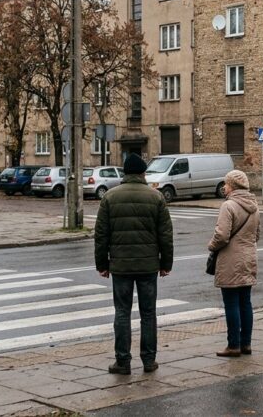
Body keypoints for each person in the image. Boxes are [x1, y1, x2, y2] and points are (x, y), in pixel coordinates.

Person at [95, 153, 173, 375]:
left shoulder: (109, 198)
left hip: (120, 266)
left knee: (122, 312)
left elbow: (101, 236)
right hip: (148, 266)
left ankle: (123, 361)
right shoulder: (156, 197)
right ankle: (149, 361)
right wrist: (165, 263)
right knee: (148, 313)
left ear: (124, 173)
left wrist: (102, 264)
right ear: (142, 173)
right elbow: (165, 235)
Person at [208, 169, 260, 357]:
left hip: (230, 259)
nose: (224, 186)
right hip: (249, 258)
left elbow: (221, 236)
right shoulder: (254, 206)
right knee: (245, 302)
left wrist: (211, 245)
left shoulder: (228, 206)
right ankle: (246, 344)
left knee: (231, 303)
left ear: (233, 186)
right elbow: (257, 235)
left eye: (226, 183)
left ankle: (233, 345)